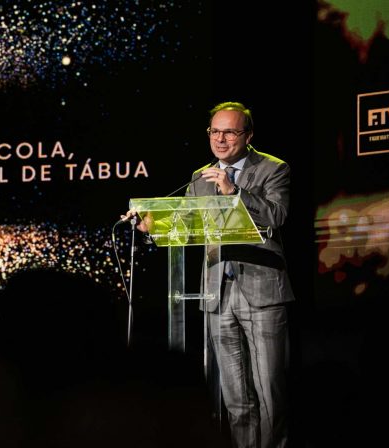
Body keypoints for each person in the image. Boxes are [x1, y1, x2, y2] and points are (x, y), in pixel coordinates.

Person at [124, 101, 294, 448]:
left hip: (262, 293)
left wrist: (235, 194)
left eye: (229, 132)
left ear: (248, 135)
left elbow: (276, 216)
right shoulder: (199, 178)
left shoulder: (273, 169)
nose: (221, 139)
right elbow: (186, 230)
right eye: (215, 131)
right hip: (216, 294)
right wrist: (152, 226)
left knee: (270, 394)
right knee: (235, 400)